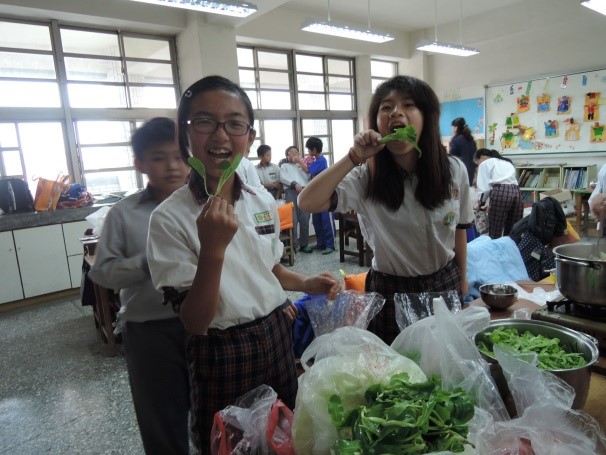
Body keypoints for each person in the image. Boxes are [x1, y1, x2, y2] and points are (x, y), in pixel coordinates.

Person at [146, 75, 341, 453]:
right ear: (184, 136)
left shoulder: (260, 200)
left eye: (234, 124)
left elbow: (266, 268)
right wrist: (213, 249)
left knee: (288, 434)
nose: (220, 136)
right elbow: (194, 320)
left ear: (249, 138)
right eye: (204, 121)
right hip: (222, 351)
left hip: (276, 336)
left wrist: (304, 282)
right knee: (230, 445)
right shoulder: (169, 219)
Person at [298, 75, 473, 345]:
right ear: (376, 122)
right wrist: (354, 157)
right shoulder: (364, 177)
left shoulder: (453, 170)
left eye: (408, 105)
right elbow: (307, 202)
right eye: (386, 107)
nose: (396, 112)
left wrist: (462, 282)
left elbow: (460, 230)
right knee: (398, 373)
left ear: (426, 117)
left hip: (444, 283)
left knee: (444, 365)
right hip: (392, 289)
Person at [88, 117, 191, 455]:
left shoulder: (207, 204)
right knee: (161, 422)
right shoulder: (124, 213)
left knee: (216, 415)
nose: (173, 166)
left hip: (209, 324)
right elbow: (102, 272)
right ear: (140, 163)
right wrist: (152, 262)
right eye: (160, 158)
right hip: (150, 331)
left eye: (179, 156)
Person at [474, 148, 524, 239]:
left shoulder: (484, 164)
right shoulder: (506, 162)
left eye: (477, 163)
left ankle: (494, 250)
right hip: (517, 192)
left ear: (481, 157)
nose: (477, 166)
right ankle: (511, 249)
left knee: (496, 227)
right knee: (514, 228)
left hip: (501, 192)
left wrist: (481, 203)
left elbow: (484, 189)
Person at [305, 136, 335, 254]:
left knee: (326, 219)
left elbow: (308, 171)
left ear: (314, 150)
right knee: (316, 220)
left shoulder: (322, 160)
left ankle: (330, 245)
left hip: (325, 193)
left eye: (309, 150)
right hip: (316, 194)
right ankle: (320, 243)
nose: (308, 152)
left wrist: (298, 161)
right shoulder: (315, 160)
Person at [280, 145, 313, 253]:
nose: (295, 155)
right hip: (291, 192)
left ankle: (304, 244)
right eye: (292, 153)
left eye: (296, 153)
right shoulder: (284, 166)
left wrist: (301, 163)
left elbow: (308, 177)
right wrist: (294, 184)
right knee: (293, 219)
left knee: (305, 219)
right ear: (287, 155)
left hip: (304, 192)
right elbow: (283, 178)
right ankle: (294, 245)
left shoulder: (302, 166)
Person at [449, 117, 477, 186]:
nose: (452, 129)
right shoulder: (472, 140)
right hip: (471, 173)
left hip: (460, 173)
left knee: (459, 195)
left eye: (452, 127)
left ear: (456, 127)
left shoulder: (456, 140)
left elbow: (452, 159)